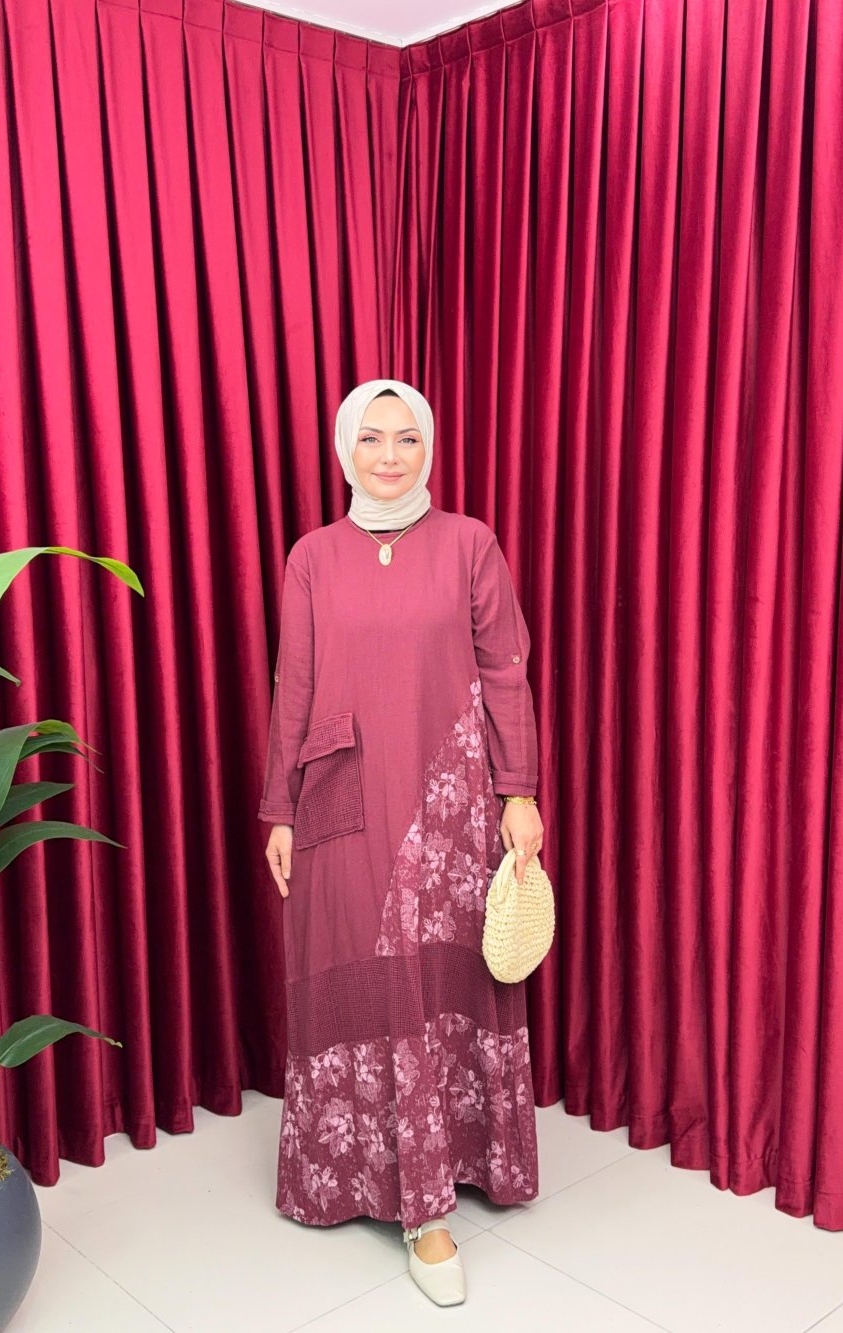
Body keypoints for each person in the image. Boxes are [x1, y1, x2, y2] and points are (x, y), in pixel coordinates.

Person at [258, 378, 544, 1307]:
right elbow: (294, 686)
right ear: (346, 448)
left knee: (438, 974)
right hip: (339, 796)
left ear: (428, 449)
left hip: (449, 804)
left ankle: (436, 1196)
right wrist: (280, 808)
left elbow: (506, 672)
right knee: (360, 971)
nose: (389, 456)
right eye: (372, 438)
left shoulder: (469, 543)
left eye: (407, 438)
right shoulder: (313, 556)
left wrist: (518, 792)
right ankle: (351, 1173)